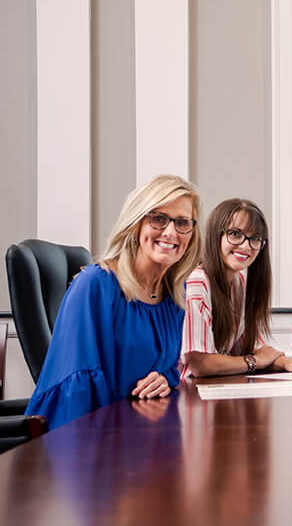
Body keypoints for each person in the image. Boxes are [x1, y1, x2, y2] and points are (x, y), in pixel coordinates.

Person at [25, 174, 202, 428]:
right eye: (159, 219)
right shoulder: (95, 285)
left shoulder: (176, 295)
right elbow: (76, 397)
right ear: (136, 224)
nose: (171, 232)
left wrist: (163, 379)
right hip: (90, 440)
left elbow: (164, 368)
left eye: (182, 222)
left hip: (144, 430)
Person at [180, 199, 292, 378]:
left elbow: (251, 347)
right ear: (216, 235)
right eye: (235, 234)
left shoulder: (240, 282)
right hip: (188, 396)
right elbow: (201, 364)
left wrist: (284, 361)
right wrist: (255, 362)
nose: (246, 246)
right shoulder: (198, 282)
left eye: (255, 238)